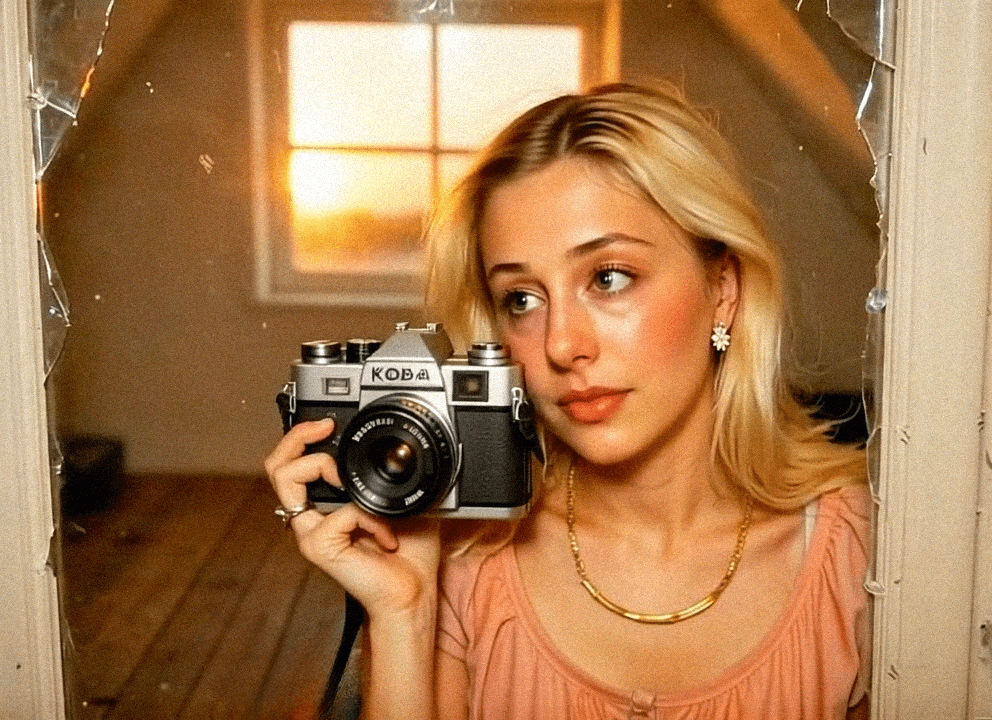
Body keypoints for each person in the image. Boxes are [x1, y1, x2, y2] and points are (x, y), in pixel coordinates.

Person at [265, 83, 871, 720]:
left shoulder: (857, 558)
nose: (561, 345)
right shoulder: (465, 567)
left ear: (722, 290)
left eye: (609, 278)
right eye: (521, 299)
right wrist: (404, 614)